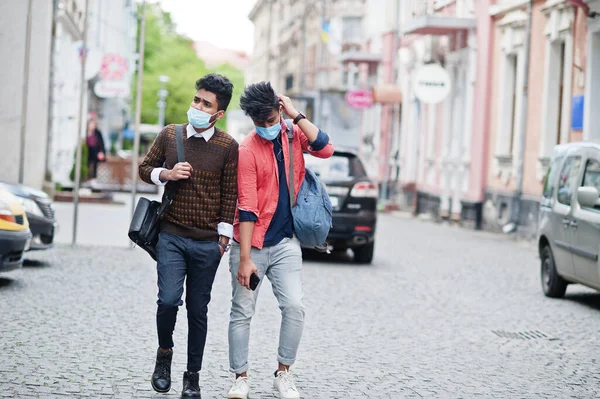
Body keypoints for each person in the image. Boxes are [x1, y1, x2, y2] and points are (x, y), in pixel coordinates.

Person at [227, 82, 333, 399]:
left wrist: (295, 114)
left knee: (295, 306)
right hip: (252, 244)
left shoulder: (291, 133)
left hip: (286, 243)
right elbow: (246, 208)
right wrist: (245, 259)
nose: (266, 128)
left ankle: (283, 373)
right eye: (260, 123)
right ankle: (240, 378)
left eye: (271, 120)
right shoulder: (247, 150)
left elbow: (325, 148)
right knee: (242, 311)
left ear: (279, 110)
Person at [138, 73, 239, 398]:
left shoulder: (228, 146)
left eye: (205, 103)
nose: (197, 106)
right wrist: (165, 174)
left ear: (218, 113)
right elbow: (144, 168)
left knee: (198, 311)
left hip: (207, 243)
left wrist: (222, 240)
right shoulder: (171, 135)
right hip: (170, 236)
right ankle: (164, 354)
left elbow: (230, 195)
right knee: (168, 301)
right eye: (197, 99)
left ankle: (192, 377)